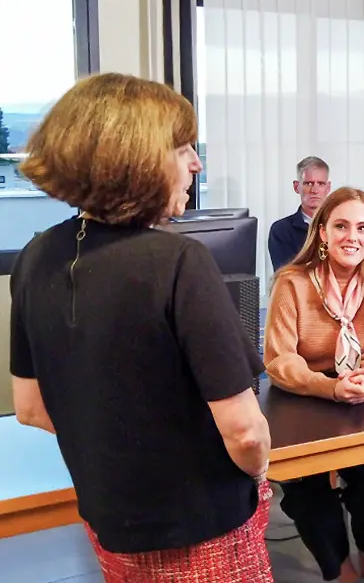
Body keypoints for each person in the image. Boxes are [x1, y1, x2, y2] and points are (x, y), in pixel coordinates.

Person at [9, 73, 273, 581]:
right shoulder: (180, 262)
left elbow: (31, 407)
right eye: (182, 148)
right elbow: (243, 432)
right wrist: (260, 473)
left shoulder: (36, 256)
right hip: (202, 534)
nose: (196, 163)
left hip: (109, 524)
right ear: (137, 159)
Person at [264, 186, 364, 582]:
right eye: (341, 226)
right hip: (304, 395)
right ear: (322, 232)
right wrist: (329, 387)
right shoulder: (292, 283)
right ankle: (339, 572)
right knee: (308, 496)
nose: (353, 237)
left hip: (363, 393)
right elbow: (279, 359)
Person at [268, 156, 332, 270]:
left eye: (321, 184)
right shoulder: (281, 230)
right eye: (308, 183)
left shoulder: (339, 227)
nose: (314, 190)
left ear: (328, 188)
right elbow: (286, 275)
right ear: (296, 187)